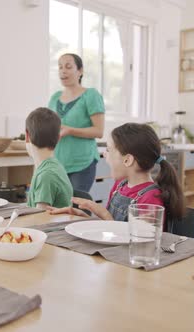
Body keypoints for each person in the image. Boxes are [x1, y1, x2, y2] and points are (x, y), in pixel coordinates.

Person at [49, 123, 185, 227]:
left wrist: (103, 213)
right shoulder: (119, 186)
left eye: (108, 149)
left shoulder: (150, 199)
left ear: (127, 160)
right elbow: (108, 228)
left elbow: (140, 244)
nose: (104, 154)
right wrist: (84, 217)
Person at [48, 53, 105, 193]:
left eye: (68, 66)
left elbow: (99, 131)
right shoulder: (55, 98)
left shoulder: (91, 95)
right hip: (57, 163)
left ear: (80, 71)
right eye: (60, 67)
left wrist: (70, 130)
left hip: (82, 163)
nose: (63, 70)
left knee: (77, 209)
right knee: (57, 210)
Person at [25, 107, 73, 209]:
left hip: (49, 224)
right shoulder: (54, 166)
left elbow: (40, 220)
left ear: (27, 136)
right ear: (59, 137)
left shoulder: (46, 175)